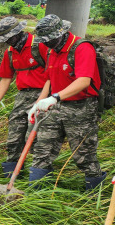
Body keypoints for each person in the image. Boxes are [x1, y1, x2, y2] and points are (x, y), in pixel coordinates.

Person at [27, 14, 106, 190]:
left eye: (49, 40)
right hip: (56, 107)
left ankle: (94, 195)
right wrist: (37, 104)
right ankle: (37, 195)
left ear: (61, 34)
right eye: (44, 41)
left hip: (81, 108)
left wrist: (55, 97)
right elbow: (49, 79)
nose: (46, 44)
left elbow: (84, 80)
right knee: (42, 150)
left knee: (84, 155)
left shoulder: (82, 47)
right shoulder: (51, 51)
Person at [0, 16, 48, 178]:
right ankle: (12, 175)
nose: (8, 42)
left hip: (44, 93)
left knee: (34, 136)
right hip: (23, 96)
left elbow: (53, 73)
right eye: (5, 39)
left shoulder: (39, 45)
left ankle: (38, 176)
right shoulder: (10, 52)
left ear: (19, 32)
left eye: (10, 38)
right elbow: (6, 78)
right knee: (14, 135)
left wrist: (43, 99)